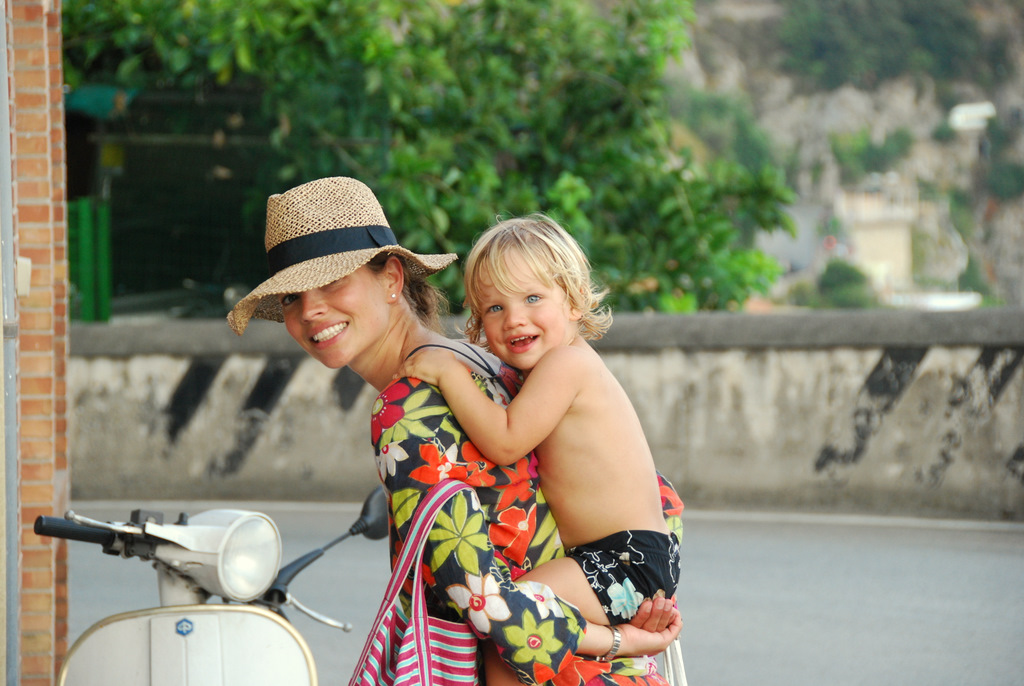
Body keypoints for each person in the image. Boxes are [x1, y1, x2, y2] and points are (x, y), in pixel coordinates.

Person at [227, 177, 685, 686]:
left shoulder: (408, 408)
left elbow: (486, 603)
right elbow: (652, 490)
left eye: (333, 283)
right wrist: (633, 596)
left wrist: (620, 636)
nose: (310, 309)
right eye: (292, 297)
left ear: (391, 278)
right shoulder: (490, 364)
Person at [401, 215, 679, 686]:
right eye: (494, 308)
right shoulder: (549, 368)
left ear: (573, 300)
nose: (514, 319)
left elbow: (505, 441)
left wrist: (448, 373)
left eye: (532, 298)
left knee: (511, 617)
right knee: (514, 626)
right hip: (621, 554)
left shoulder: (567, 364)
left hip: (625, 559)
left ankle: (622, 642)